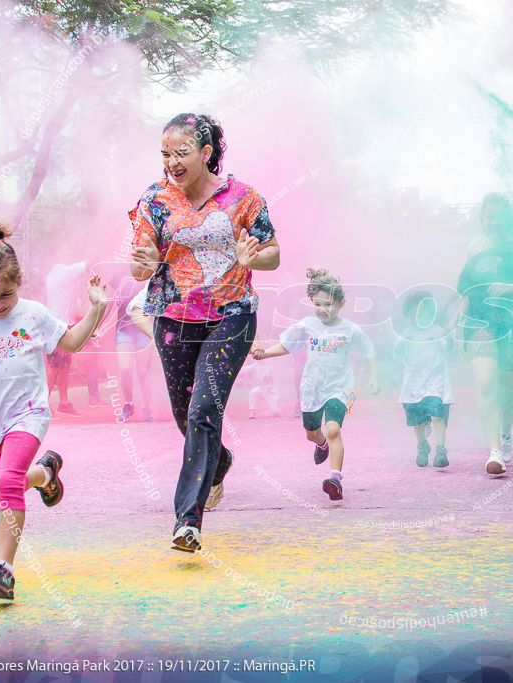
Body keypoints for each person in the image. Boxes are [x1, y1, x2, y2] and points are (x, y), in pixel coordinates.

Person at [0, 218, 107, 600]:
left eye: (6, 295)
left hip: (29, 414)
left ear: (19, 281)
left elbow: (73, 342)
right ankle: (45, 474)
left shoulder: (33, 314)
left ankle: (3, 571)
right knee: (6, 487)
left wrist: (96, 310)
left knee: (6, 484)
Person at [130, 112, 279, 553]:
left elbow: (272, 252)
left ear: (206, 153)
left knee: (203, 408)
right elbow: (142, 260)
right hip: (173, 318)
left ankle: (187, 521)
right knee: (185, 413)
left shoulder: (243, 197)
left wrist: (253, 260)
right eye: (164, 154)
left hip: (231, 316)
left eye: (181, 153)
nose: (171, 163)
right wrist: (139, 266)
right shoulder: (155, 199)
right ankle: (220, 462)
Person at [251, 268, 379, 500]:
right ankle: (321, 445)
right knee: (313, 434)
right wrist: (265, 354)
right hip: (311, 388)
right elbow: (288, 345)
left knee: (333, 429)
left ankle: (335, 479)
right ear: (311, 302)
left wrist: (373, 377)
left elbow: (370, 351)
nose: (323, 309)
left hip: (340, 388)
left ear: (341, 303)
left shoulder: (350, 329)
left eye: (328, 304)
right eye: (318, 304)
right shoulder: (308, 325)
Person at [456, 193, 513, 475]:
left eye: (499, 216)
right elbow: (466, 290)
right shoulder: (474, 248)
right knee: (485, 383)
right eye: (488, 216)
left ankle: (506, 434)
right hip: (479, 322)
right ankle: (494, 451)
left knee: (508, 389)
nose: (493, 222)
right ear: (482, 219)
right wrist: (453, 324)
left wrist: (511, 287)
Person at [394, 290, 454, 468]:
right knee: (418, 420)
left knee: (437, 414)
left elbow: (448, 347)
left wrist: (449, 338)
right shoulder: (408, 332)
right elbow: (397, 351)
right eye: (413, 315)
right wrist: (405, 341)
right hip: (413, 385)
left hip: (435, 382)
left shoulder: (437, 331)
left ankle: (441, 449)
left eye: (421, 314)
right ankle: (422, 445)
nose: (417, 318)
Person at [44, 259, 93, 416]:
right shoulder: (64, 272)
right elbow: (89, 263)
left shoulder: (53, 274)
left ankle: (64, 403)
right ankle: (42, 406)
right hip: (57, 327)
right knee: (54, 366)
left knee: (63, 365)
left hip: (64, 326)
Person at [111, 277, 154, 422]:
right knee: (125, 368)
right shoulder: (119, 275)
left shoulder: (151, 276)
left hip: (144, 329)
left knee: (143, 370)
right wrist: (97, 326)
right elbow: (108, 303)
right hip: (123, 330)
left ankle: (146, 407)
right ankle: (128, 404)